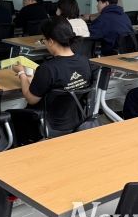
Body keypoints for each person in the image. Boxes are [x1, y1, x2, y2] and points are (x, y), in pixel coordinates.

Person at [9, 17, 93, 145]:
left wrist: (21, 74)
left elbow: (31, 99)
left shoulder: (48, 68)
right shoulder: (85, 61)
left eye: (44, 40)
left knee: (8, 115)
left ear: (51, 41)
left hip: (46, 122)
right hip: (75, 120)